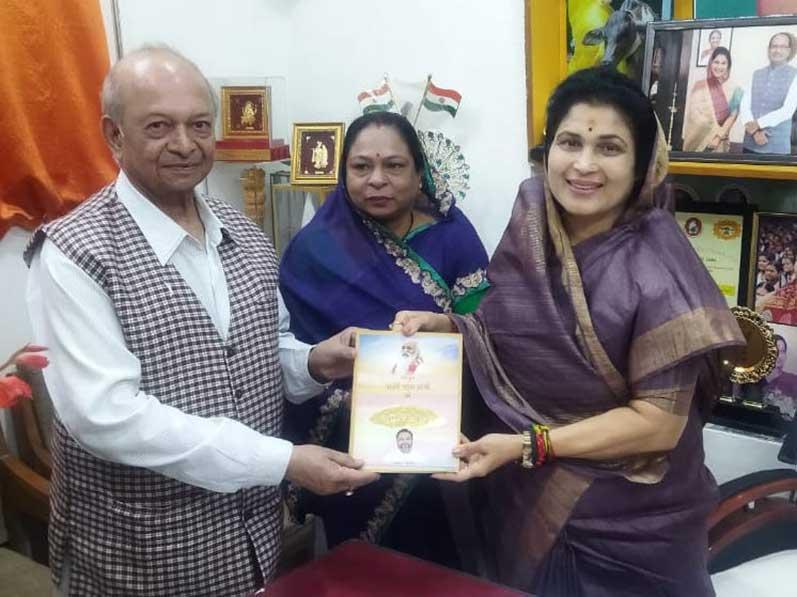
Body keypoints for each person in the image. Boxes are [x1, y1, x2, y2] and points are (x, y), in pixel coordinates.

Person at [24, 46, 378, 596]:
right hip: (138, 556)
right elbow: (106, 417)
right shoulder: (75, 251)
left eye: (198, 125)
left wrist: (315, 360)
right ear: (114, 136)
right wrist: (283, 460)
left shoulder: (247, 236)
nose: (185, 144)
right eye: (159, 127)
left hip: (248, 542)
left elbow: (262, 352)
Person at [393, 66, 744, 595]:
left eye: (609, 147)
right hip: (526, 496)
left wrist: (531, 445)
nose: (583, 165)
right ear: (547, 150)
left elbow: (657, 425)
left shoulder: (660, 266)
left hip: (634, 528)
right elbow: (507, 334)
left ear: (642, 164)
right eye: (570, 142)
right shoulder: (533, 231)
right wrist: (447, 326)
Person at [279, 110, 489, 567]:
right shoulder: (316, 248)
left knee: (437, 562)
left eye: (394, 166)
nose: (377, 180)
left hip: (443, 435)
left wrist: (448, 336)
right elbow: (290, 352)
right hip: (352, 442)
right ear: (343, 172)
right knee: (356, 568)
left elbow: (488, 330)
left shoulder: (454, 235)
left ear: (419, 173)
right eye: (361, 167)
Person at [740, 32, 797, 154]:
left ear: (789, 51)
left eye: (782, 47)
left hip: (777, 147)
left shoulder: (795, 75)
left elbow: (787, 110)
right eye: (774, 46)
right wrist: (755, 132)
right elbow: (744, 106)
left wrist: (757, 124)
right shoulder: (756, 73)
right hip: (750, 142)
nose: (777, 50)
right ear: (769, 49)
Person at [683, 47, 743, 152]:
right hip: (697, 142)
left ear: (728, 66)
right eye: (716, 62)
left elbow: (732, 117)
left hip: (719, 143)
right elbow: (694, 115)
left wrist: (718, 137)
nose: (719, 66)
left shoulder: (736, 89)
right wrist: (709, 133)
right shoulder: (699, 86)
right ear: (711, 63)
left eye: (723, 63)